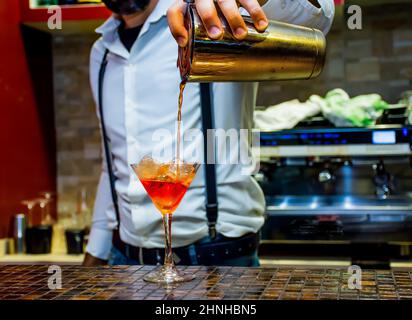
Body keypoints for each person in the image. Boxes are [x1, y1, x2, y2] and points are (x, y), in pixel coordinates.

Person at [83, 0, 335, 266]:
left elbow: (317, 22)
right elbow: (113, 163)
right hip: (124, 260)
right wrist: (96, 251)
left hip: (219, 259)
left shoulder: (209, 16)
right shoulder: (101, 54)